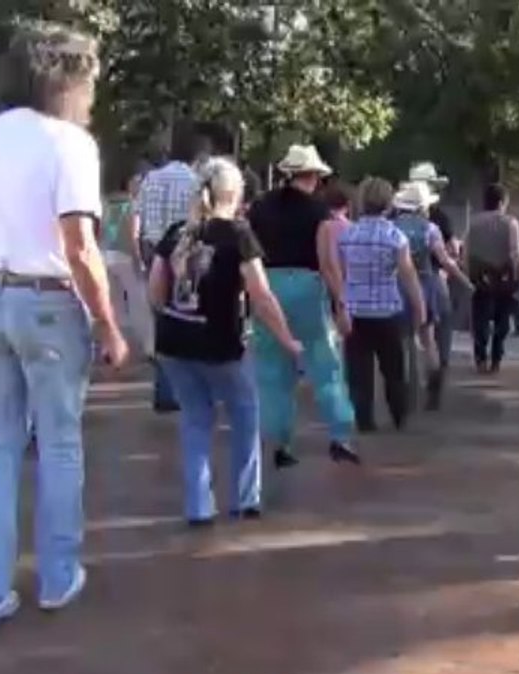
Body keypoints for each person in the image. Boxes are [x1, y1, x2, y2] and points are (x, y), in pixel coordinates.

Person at [0, 23, 128, 630]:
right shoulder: (69, 144)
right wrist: (109, 324)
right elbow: (79, 246)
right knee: (60, 441)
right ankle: (58, 574)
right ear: (69, 81)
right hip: (46, 303)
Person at [149, 157, 302, 525]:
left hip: (176, 342)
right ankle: (245, 498)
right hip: (221, 344)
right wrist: (288, 340)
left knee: (195, 420)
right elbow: (261, 295)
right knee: (245, 414)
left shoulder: (176, 233)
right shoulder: (238, 234)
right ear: (234, 193)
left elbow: (155, 290)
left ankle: (199, 506)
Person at [246, 144, 359, 467]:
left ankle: (280, 442)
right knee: (326, 364)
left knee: (272, 370)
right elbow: (327, 263)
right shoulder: (318, 211)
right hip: (307, 287)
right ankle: (340, 436)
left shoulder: (260, 207)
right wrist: (341, 302)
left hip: (268, 285)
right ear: (312, 176)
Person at [338, 178, 427, 431]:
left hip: (356, 311)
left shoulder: (347, 235)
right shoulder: (394, 236)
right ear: (389, 204)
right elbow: (408, 275)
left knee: (359, 372)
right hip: (388, 310)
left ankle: (364, 419)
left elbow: (343, 275)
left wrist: (341, 307)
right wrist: (419, 307)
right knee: (394, 370)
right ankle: (399, 414)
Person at [135, 122, 206, 412]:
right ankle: (186, 390)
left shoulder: (150, 179)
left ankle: (163, 392)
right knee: (189, 319)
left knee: (160, 320)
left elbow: (138, 218)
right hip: (184, 251)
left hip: (154, 250)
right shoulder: (195, 181)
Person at [390, 180, 471, 410]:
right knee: (428, 338)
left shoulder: (392, 227)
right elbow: (445, 261)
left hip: (399, 284)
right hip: (426, 283)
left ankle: (406, 387)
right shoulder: (430, 228)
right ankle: (434, 385)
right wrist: (464, 281)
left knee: (403, 338)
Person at [465, 183, 519, 373]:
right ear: (501, 202)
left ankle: (480, 358)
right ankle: (496, 358)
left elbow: (465, 252)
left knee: (480, 319)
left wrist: (468, 275)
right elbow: (516, 253)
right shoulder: (510, 223)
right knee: (502, 320)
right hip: (504, 276)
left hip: (480, 276)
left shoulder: (472, 223)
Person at [408, 161, 459, 366]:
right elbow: (453, 248)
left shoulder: (395, 216)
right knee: (443, 319)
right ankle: (441, 361)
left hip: (401, 280)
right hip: (432, 275)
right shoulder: (438, 217)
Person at [102, 165, 154, 360]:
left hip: (105, 254)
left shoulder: (108, 203)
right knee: (138, 302)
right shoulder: (134, 205)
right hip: (125, 255)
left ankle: (110, 346)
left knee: (113, 303)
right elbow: (134, 234)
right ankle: (149, 345)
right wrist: (138, 259)